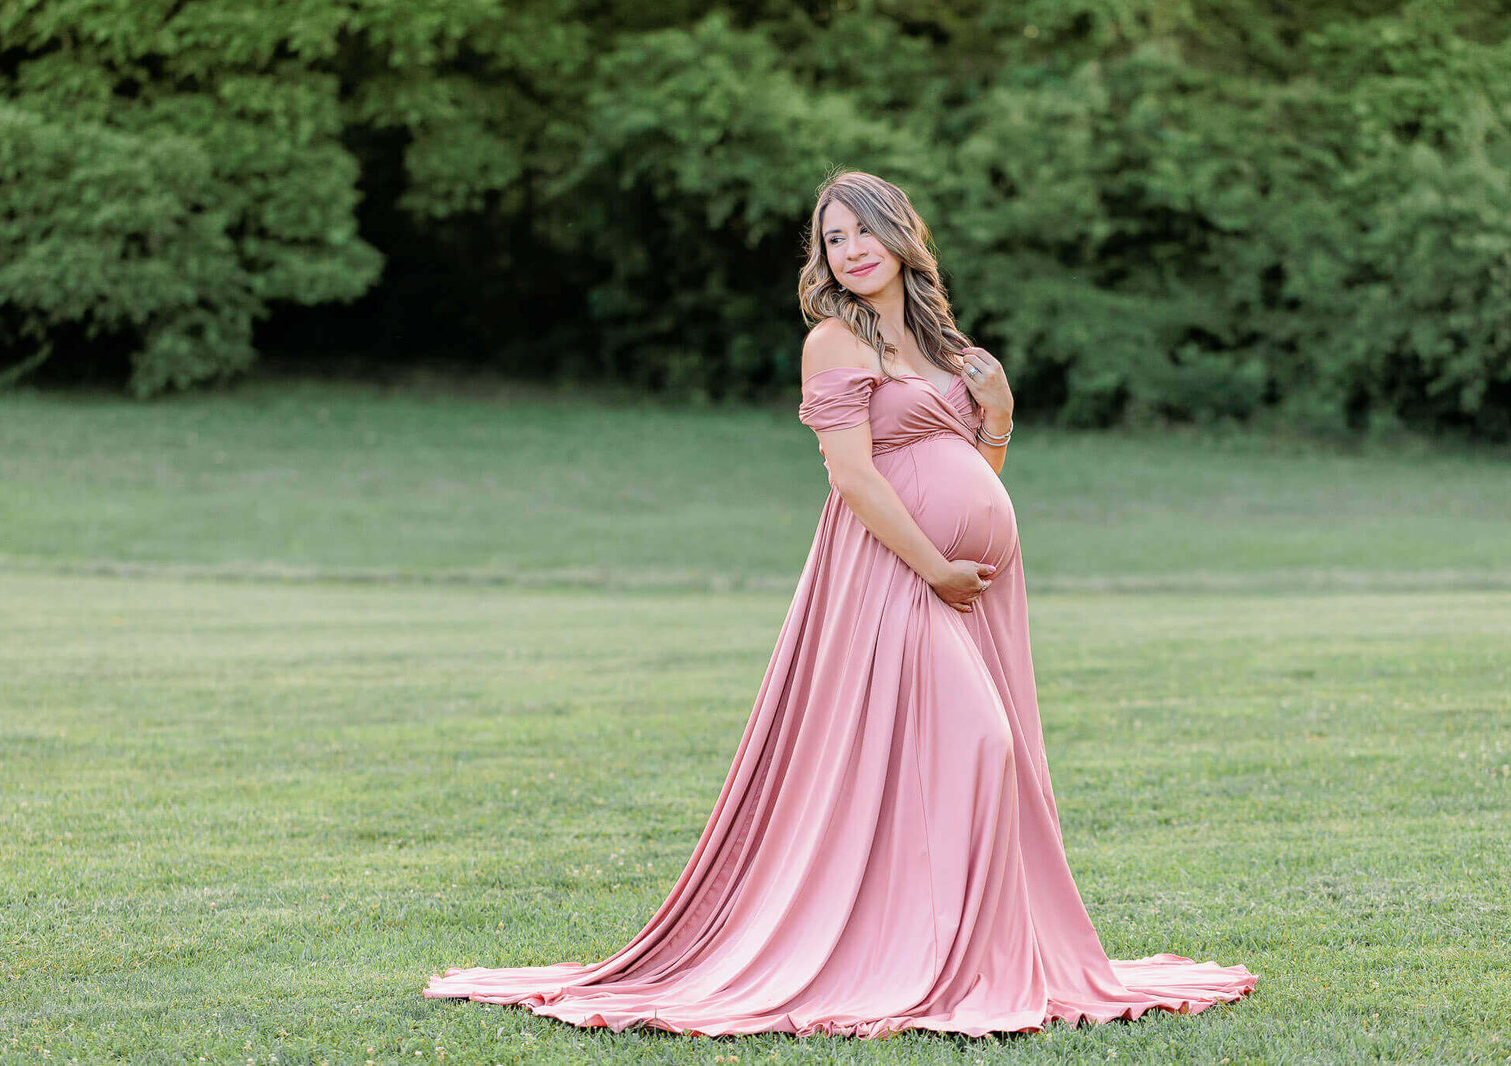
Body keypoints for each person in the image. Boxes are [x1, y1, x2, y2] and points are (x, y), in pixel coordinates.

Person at [423, 169, 1258, 1038]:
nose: (851, 251)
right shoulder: (833, 340)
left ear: (903, 237)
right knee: (980, 741)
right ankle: (940, 960)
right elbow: (853, 475)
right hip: (891, 575)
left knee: (946, 756)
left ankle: (963, 952)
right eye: (833, 238)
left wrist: (999, 415)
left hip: (964, 584)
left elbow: (974, 473)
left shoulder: (940, 348)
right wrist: (936, 565)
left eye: (863, 232)